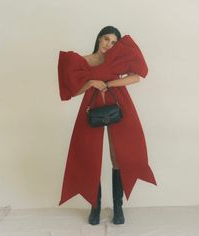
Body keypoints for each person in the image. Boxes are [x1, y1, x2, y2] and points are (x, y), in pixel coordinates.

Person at [57, 26, 157, 225]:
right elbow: (74, 91)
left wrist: (109, 84)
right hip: (91, 105)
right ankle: (95, 206)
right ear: (98, 38)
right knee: (89, 155)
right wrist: (92, 82)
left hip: (118, 103)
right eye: (105, 39)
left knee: (117, 154)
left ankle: (118, 208)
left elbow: (136, 77)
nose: (108, 44)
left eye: (113, 42)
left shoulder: (116, 59)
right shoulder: (84, 61)